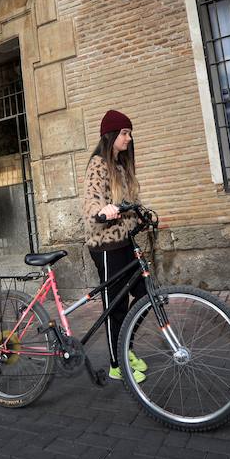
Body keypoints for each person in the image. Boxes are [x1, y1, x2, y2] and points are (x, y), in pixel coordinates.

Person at [82, 110, 148, 383]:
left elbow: (128, 201)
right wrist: (102, 211)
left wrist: (143, 213)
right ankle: (115, 363)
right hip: (105, 244)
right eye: (124, 133)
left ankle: (125, 346)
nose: (128, 138)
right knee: (116, 306)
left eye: (129, 133)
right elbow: (92, 201)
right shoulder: (98, 164)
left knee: (145, 294)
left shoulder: (121, 165)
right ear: (111, 135)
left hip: (125, 240)